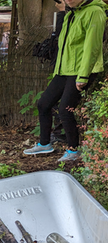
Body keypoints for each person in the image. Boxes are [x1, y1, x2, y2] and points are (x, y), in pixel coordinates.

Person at [23, 0, 106, 161]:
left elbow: (92, 47)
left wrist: (83, 76)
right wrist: (58, 70)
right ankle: (45, 144)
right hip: (65, 70)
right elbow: (63, 45)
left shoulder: (95, 12)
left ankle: (74, 149)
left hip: (82, 70)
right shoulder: (71, 14)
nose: (68, 0)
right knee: (44, 104)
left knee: (65, 110)